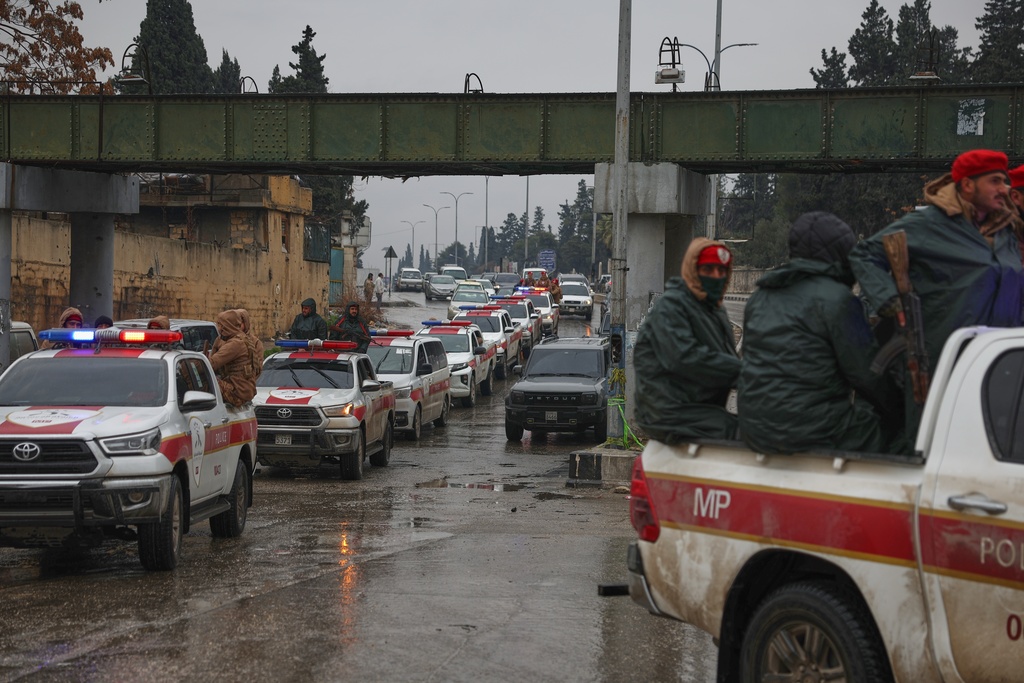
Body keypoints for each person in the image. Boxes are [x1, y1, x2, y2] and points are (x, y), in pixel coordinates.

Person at [850, 149, 1024, 445]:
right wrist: (890, 301)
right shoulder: (930, 224)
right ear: (967, 185)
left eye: (1005, 182)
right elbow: (865, 254)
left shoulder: (1005, 230)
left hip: (998, 362)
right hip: (941, 361)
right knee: (931, 444)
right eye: (995, 181)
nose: (1004, 189)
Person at [738, 212, 901, 455]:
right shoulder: (839, 300)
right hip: (813, 430)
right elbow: (867, 376)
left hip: (754, 429)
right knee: (901, 436)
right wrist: (902, 407)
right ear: (840, 253)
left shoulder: (759, 297)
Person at [633, 238, 741, 442]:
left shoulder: (714, 310)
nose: (716, 276)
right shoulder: (672, 307)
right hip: (669, 411)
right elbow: (684, 358)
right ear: (692, 270)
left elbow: (726, 358)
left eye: (722, 271)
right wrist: (743, 372)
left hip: (700, 407)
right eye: (707, 269)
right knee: (748, 436)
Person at [208, 309, 256, 407]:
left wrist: (188, 365)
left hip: (237, 392)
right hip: (244, 390)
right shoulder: (243, 339)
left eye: (219, 325)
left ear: (225, 327)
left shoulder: (235, 344)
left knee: (201, 381)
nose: (218, 328)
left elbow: (211, 364)